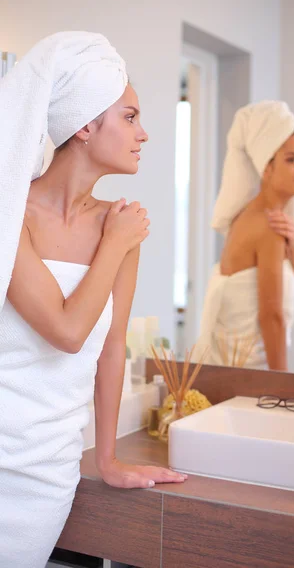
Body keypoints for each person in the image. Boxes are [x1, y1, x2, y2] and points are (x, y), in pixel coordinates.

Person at [0, 31, 186, 568]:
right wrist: (115, 245)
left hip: (44, 476)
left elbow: (110, 347)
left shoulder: (118, 225)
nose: (143, 133)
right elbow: (66, 331)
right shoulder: (12, 214)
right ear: (84, 124)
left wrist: (105, 458)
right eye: (129, 117)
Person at [195, 101, 294, 371]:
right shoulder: (266, 225)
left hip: (245, 374)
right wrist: (281, 387)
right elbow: (271, 317)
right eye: (292, 159)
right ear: (266, 168)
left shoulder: (275, 222)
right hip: (250, 379)